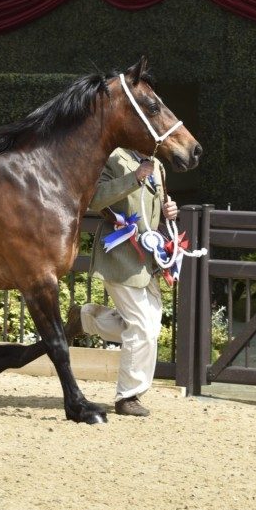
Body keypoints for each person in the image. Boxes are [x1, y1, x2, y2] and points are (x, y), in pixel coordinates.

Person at [66, 149, 179, 417]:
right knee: (142, 328)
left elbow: (154, 208)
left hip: (147, 258)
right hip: (119, 253)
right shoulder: (113, 157)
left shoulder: (157, 164)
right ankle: (128, 396)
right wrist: (135, 178)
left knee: (147, 326)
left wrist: (168, 211)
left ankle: (85, 319)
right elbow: (95, 199)